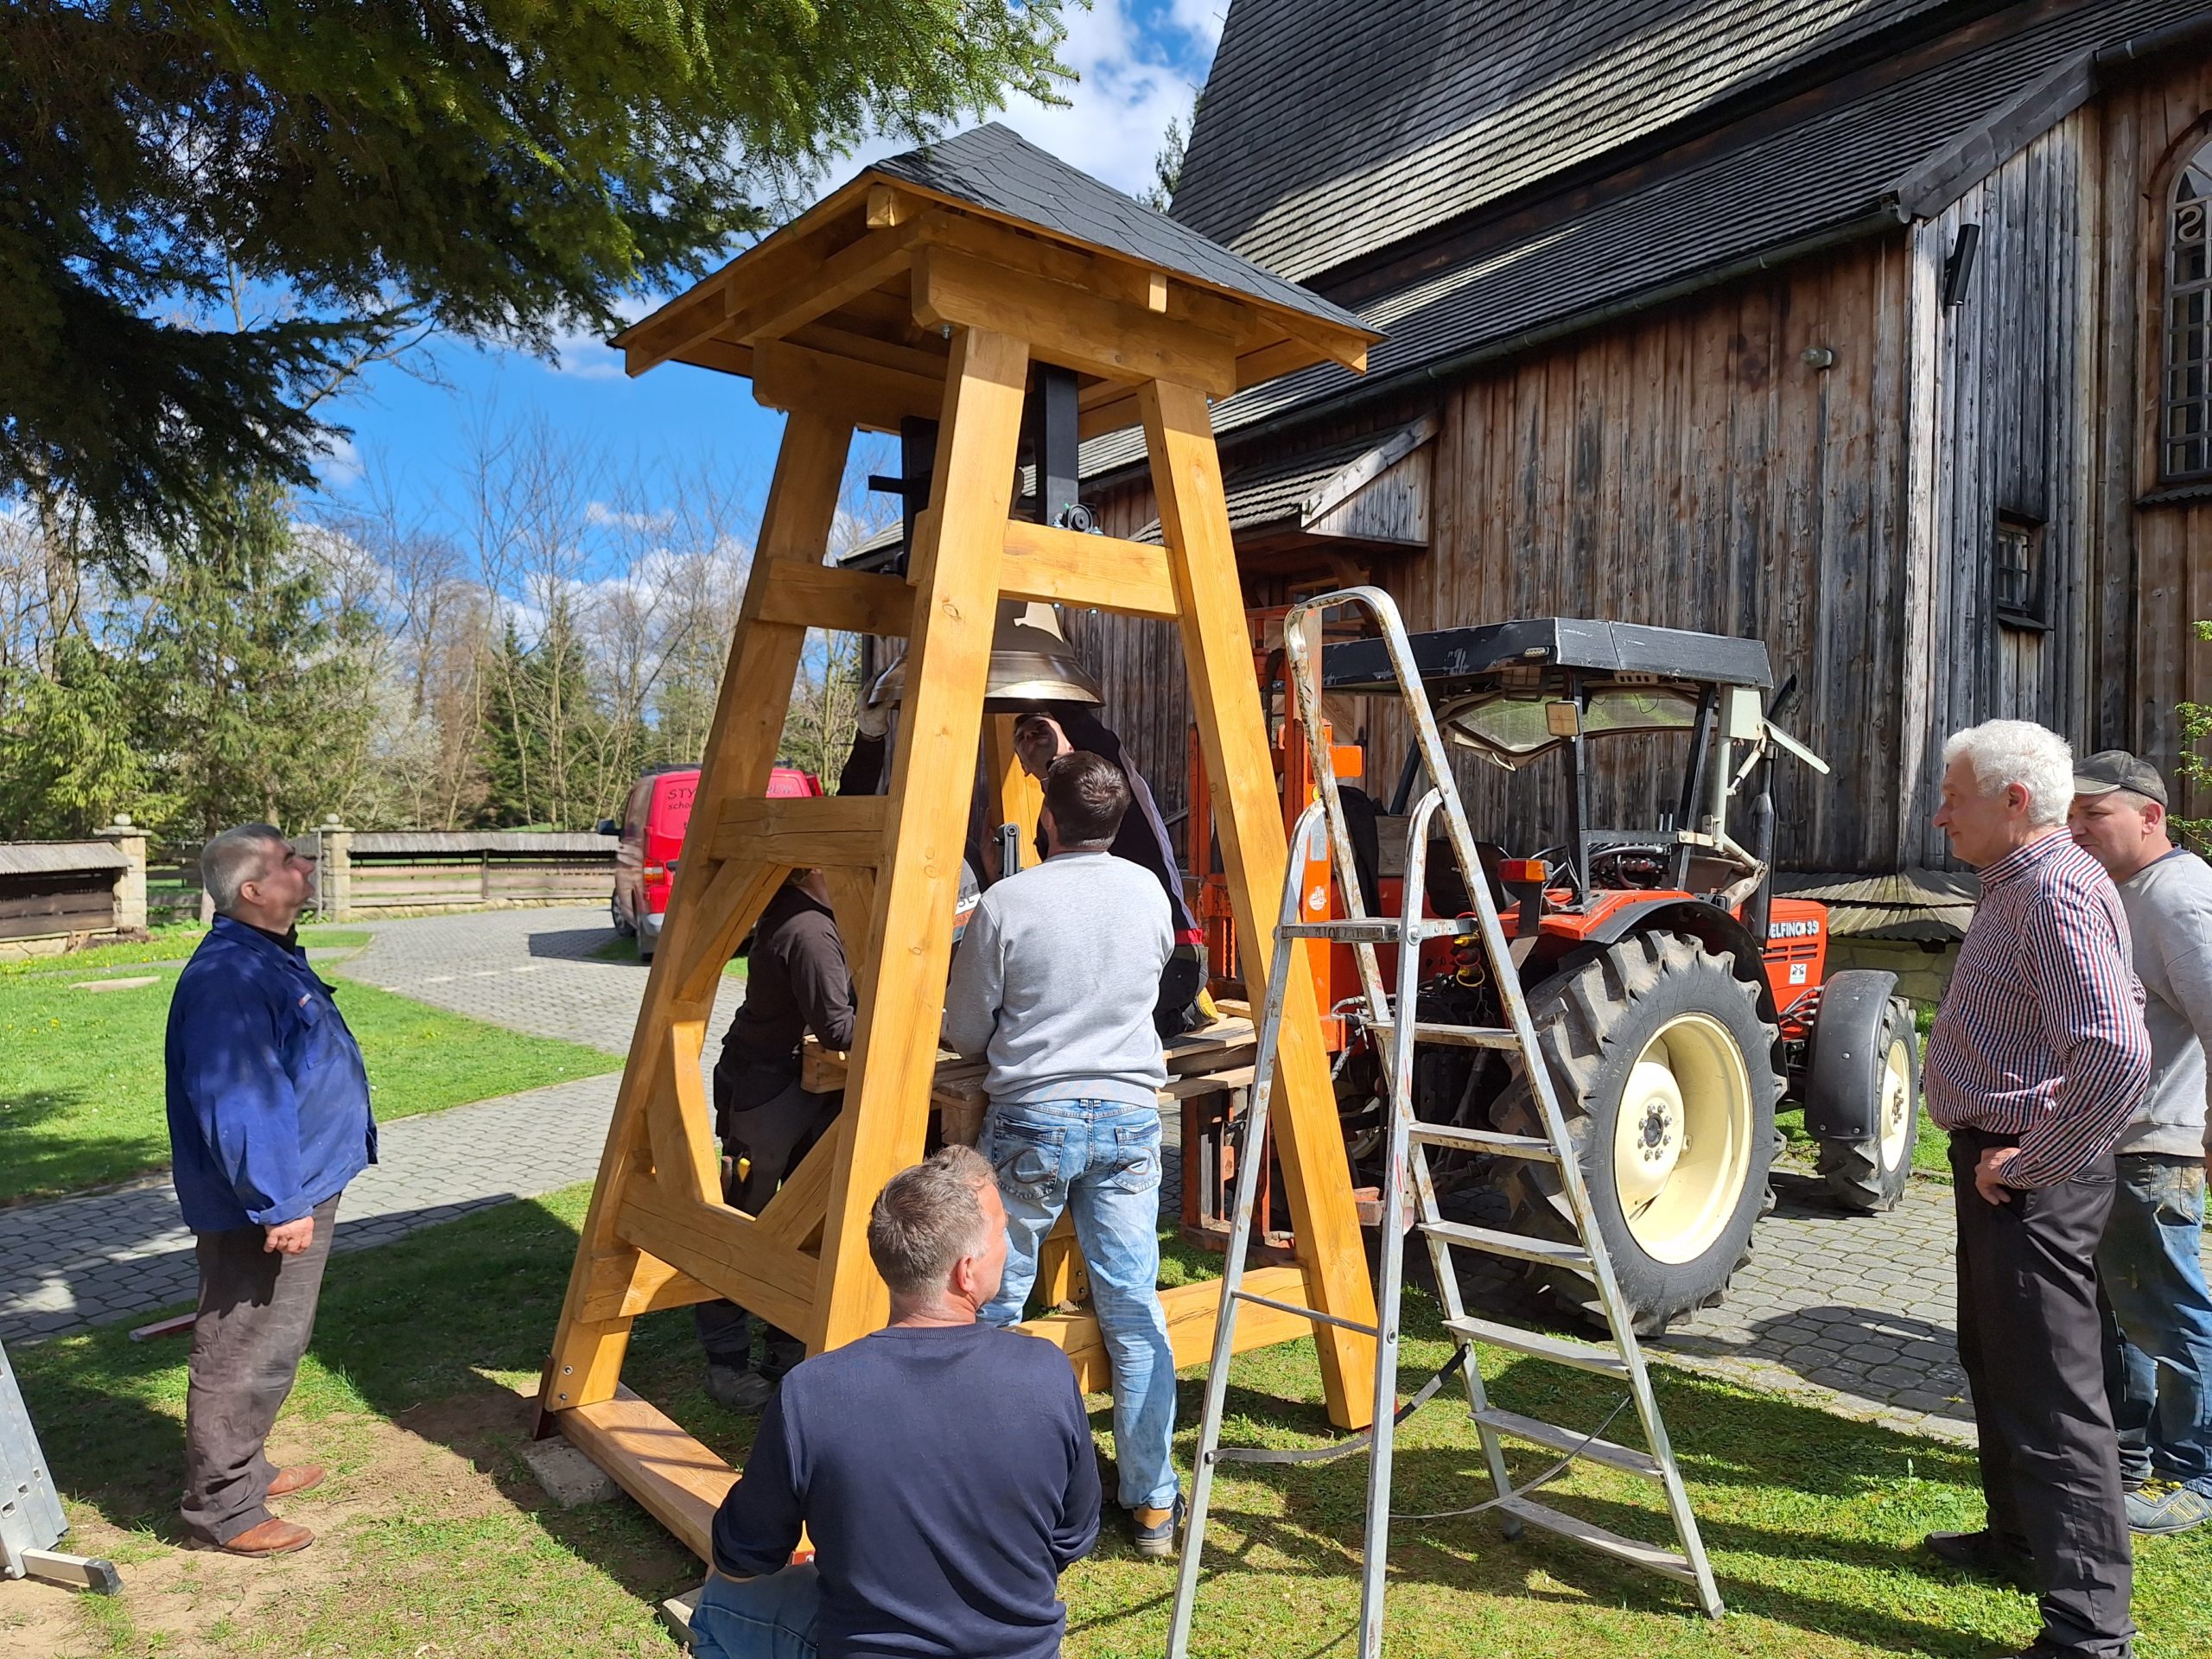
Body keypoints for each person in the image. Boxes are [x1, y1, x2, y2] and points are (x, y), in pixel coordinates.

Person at [1921, 721, 2151, 1659]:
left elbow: (2115, 1050)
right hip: (2001, 1166)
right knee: (1998, 1363)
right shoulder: (2017, 881)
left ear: (2014, 800)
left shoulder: (2052, 887)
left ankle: (2090, 1632)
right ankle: (2017, 1542)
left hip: (2027, 1173)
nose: (1941, 817)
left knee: (2053, 1396)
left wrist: (2026, 1163)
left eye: (1953, 798)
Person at [690, 1146, 1100, 1659]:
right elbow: (1074, 1535)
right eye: (1002, 1234)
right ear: (966, 1272)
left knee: (719, 1602)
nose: (1009, 1246)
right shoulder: (1046, 1373)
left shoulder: (811, 1392)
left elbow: (743, 1555)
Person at [943, 751, 1182, 1555]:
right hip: (1130, 1115)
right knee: (1134, 1308)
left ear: (1047, 817)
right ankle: (1152, 1502)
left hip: (1034, 1116)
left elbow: (966, 1029)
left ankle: (987, 1490)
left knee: (993, 1304)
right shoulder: (1147, 891)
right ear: (1119, 817)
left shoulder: (1008, 901)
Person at [166, 823, 378, 1557]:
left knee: (272, 1340)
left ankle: (245, 1469)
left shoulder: (266, 956)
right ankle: (224, 1509)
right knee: (245, 1346)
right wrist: (280, 1203)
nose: (306, 865)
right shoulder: (230, 977)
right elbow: (239, 1101)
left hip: (291, 1186)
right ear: (252, 890)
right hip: (264, 1203)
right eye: (289, 860)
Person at [2067, 750, 2212, 1535]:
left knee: (2171, 1316)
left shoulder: (2178, 897)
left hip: (2157, 1147)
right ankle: (2128, 1460)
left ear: (2151, 816)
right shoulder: (2125, 891)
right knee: (2124, 1314)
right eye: (2071, 816)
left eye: (2095, 815)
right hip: (2114, 1144)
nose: (2078, 829)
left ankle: (2199, 1475)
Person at [701, 866, 855, 1412]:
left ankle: (788, 1346)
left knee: (806, 1219)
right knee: (745, 1220)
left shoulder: (824, 916)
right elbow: (839, 1029)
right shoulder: (807, 928)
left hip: (801, 1085)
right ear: (815, 867)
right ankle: (726, 1362)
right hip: (768, 1089)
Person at [1011, 707, 1205, 1033]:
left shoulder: (1114, 788)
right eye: (1021, 737)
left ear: (1070, 742)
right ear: (1023, 767)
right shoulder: (1047, 829)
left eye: (1041, 727)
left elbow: (1089, 731)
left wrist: (1045, 690)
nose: (1030, 735)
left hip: (1172, 958)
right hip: (1108, 967)